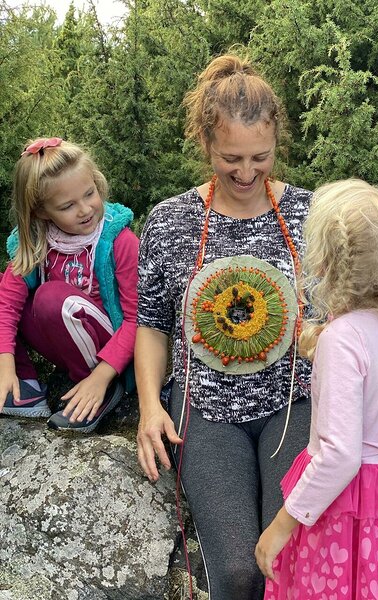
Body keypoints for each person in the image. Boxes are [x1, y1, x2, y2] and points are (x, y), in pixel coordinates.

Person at [135, 54, 312, 599]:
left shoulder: (313, 215)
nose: (246, 172)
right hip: (205, 412)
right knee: (238, 573)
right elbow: (152, 324)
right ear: (205, 143)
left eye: (261, 156)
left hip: (294, 403)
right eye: (230, 158)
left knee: (288, 557)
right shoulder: (169, 220)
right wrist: (150, 407)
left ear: (278, 143)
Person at [255, 178, 378, 599]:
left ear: (326, 262)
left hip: (349, 503)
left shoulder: (342, 338)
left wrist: (282, 524)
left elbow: (341, 454)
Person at [0, 137, 138, 433]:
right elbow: (7, 301)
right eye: (67, 206)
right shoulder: (39, 241)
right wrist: (5, 361)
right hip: (63, 335)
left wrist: (102, 375)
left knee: (51, 298)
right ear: (41, 211)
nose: (85, 209)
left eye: (90, 193)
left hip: (109, 348)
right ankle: (24, 387)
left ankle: (99, 389)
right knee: (8, 290)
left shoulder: (119, 241)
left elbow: (136, 320)